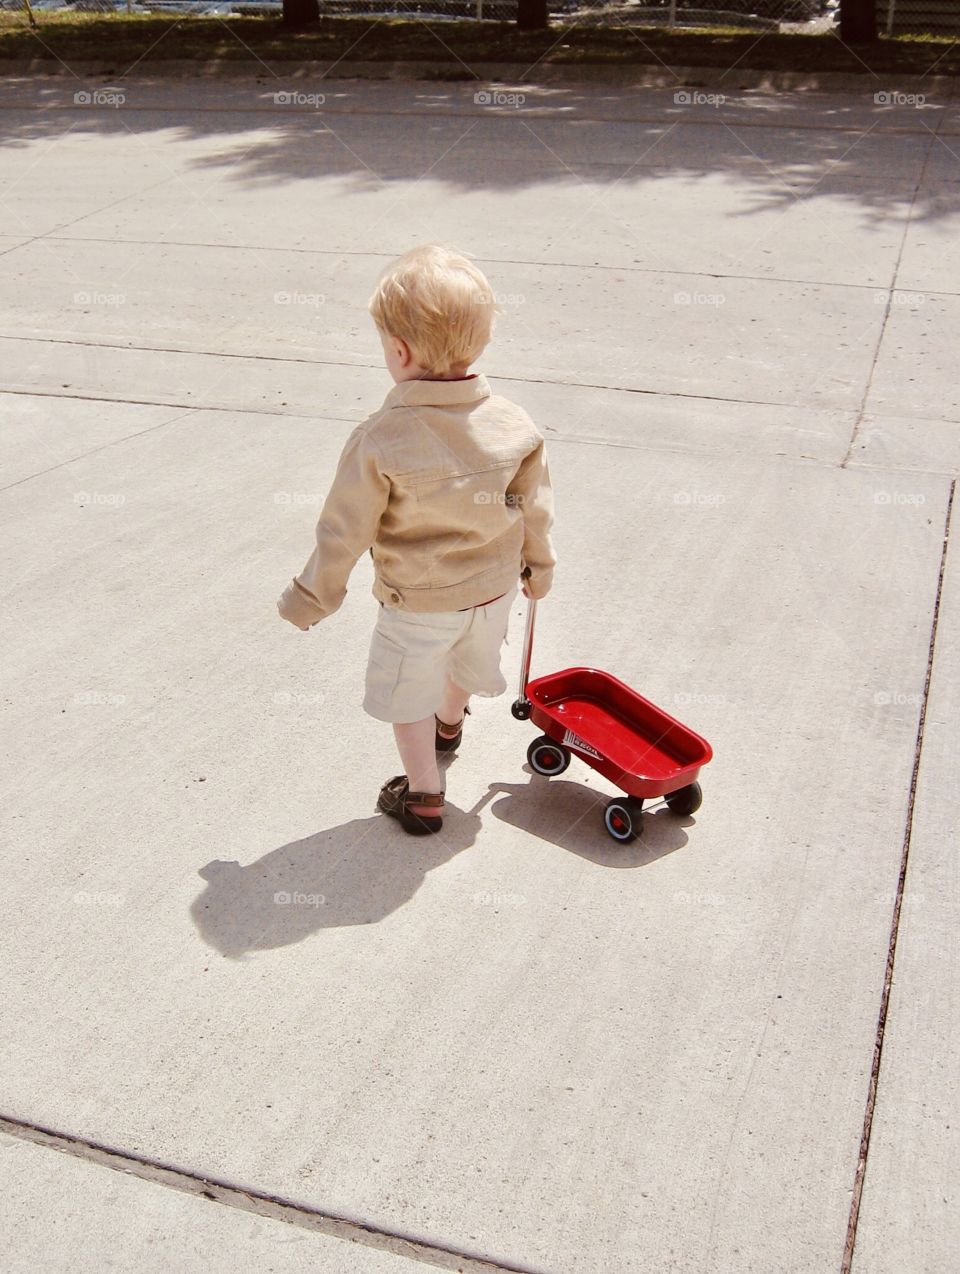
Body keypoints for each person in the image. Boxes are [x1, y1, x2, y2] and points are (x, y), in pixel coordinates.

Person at [277, 244, 555, 836]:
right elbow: (534, 506)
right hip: (494, 589)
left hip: (419, 602)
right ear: (479, 344)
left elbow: (342, 531)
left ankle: (425, 793)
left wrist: (312, 598)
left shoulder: (381, 438)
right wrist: (540, 566)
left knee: (408, 694)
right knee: (466, 663)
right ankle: (450, 726)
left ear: (398, 351)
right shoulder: (515, 424)